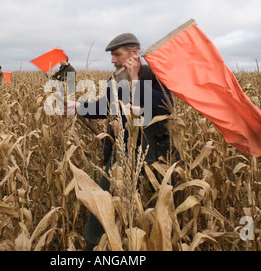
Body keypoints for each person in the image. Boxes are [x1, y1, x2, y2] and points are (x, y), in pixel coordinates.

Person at [67, 33, 179, 250]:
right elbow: (107, 106)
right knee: (102, 201)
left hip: (153, 156)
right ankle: (93, 246)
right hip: (121, 154)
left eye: (117, 54)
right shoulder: (116, 78)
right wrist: (79, 107)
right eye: (112, 55)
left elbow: (164, 108)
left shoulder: (154, 74)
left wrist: (136, 80)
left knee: (153, 212)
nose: (113, 60)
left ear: (134, 53)